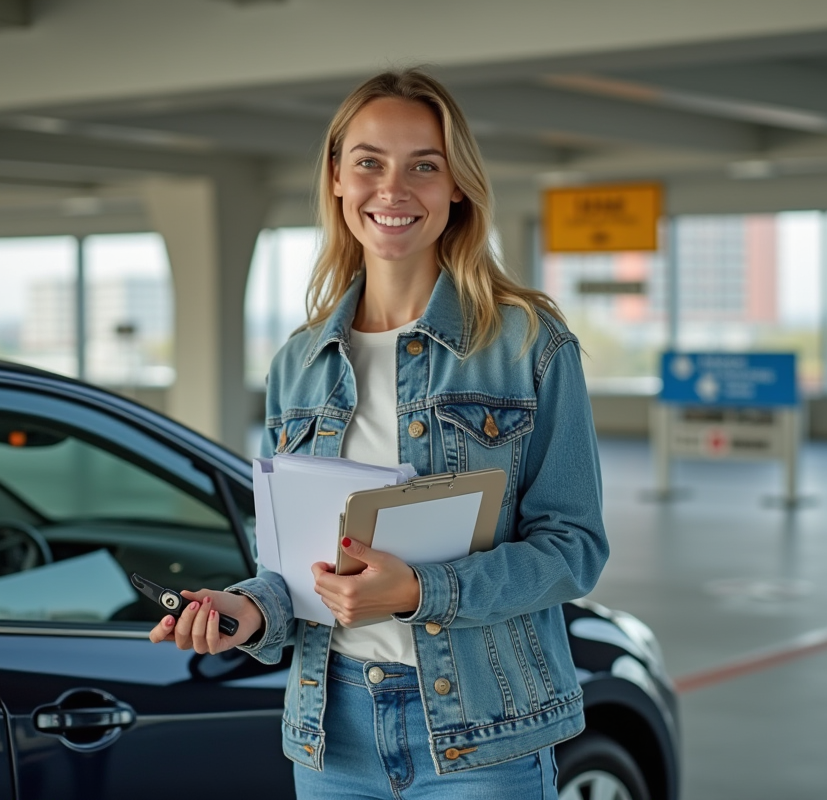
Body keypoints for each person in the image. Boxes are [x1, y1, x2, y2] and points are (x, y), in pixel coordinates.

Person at [149, 68, 608, 799]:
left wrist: (419, 590)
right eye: (369, 162)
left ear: (456, 184)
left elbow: (573, 550)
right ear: (336, 177)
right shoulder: (299, 363)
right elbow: (301, 571)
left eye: (423, 165)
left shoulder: (527, 343)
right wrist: (246, 611)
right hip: (332, 736)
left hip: (481, 736)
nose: (393, 190)